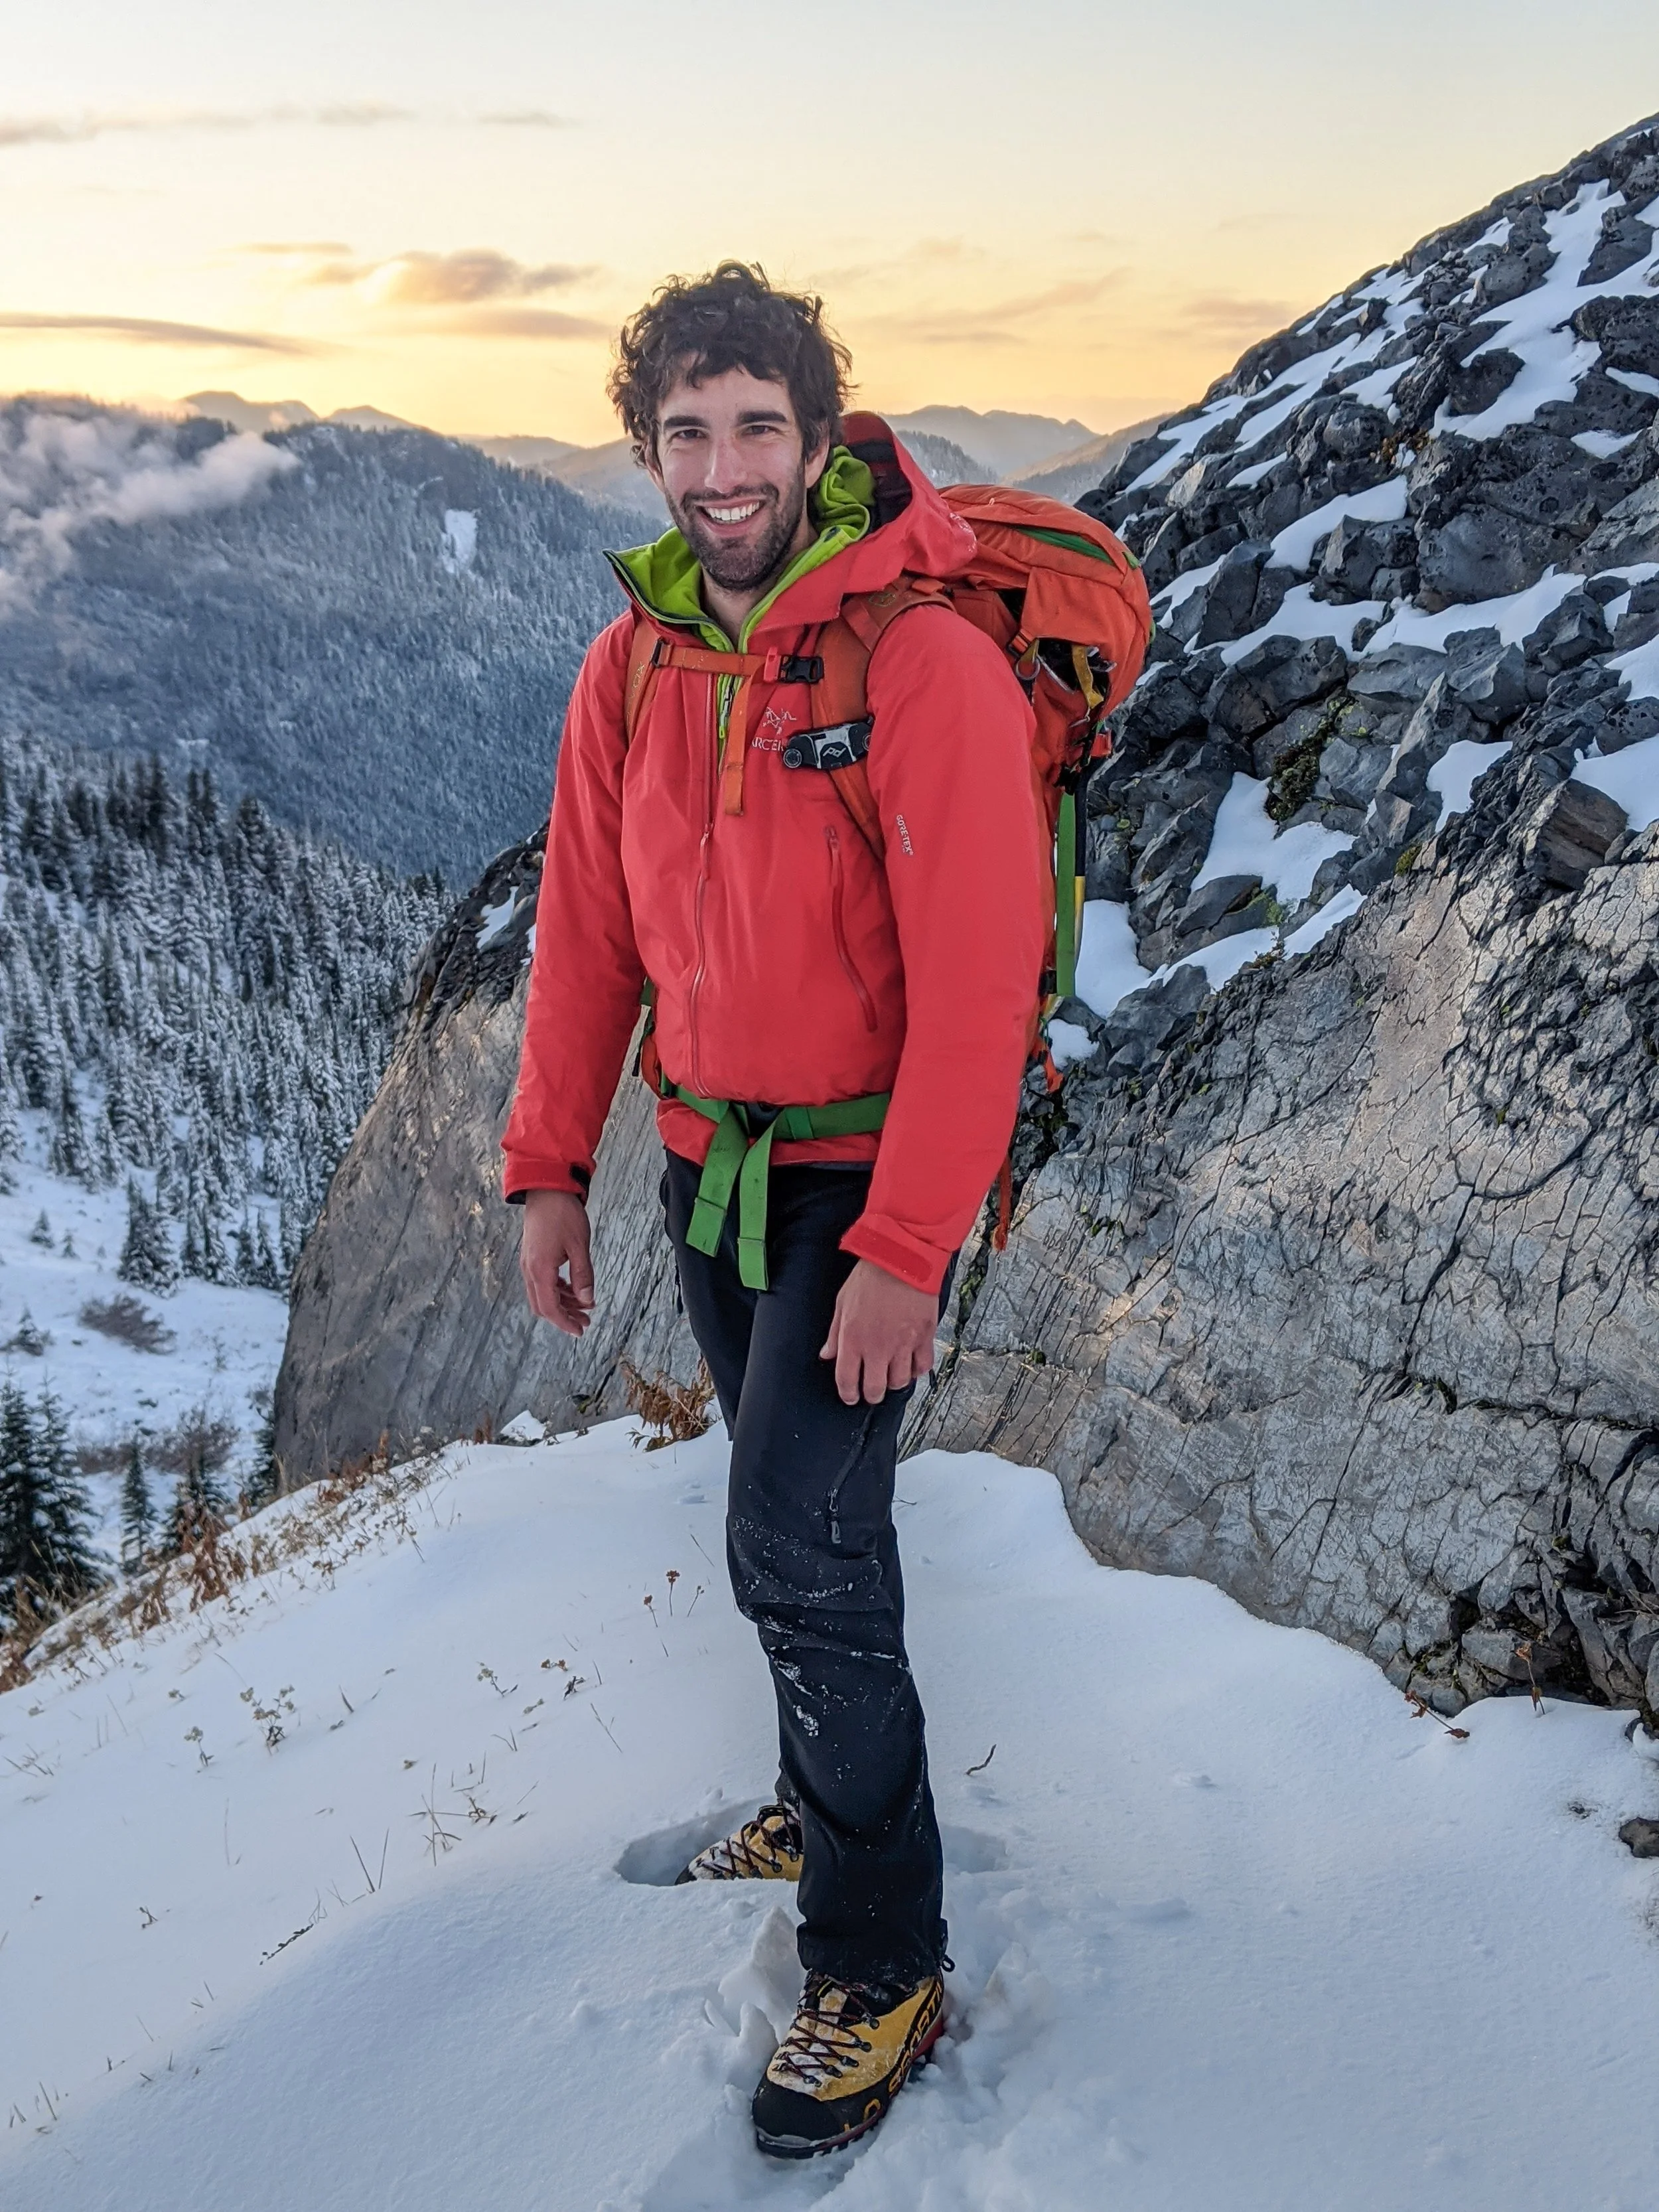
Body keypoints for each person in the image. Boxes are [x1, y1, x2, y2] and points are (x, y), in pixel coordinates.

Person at [503, 261, 1045, 2159]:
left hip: (856, 1172)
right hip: (702, 1165)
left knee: (794, 1541)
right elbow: (587, 935)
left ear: (819, 441)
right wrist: (547, 1165)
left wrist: (904, 1247)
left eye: (755, 427)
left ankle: (876, 1952)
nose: (721, 468)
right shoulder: (632, 662)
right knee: (797, 1526)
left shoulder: (915, 661)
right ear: (649, 446)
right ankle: (833, 1791)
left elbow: (984, 985)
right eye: (686, 430)